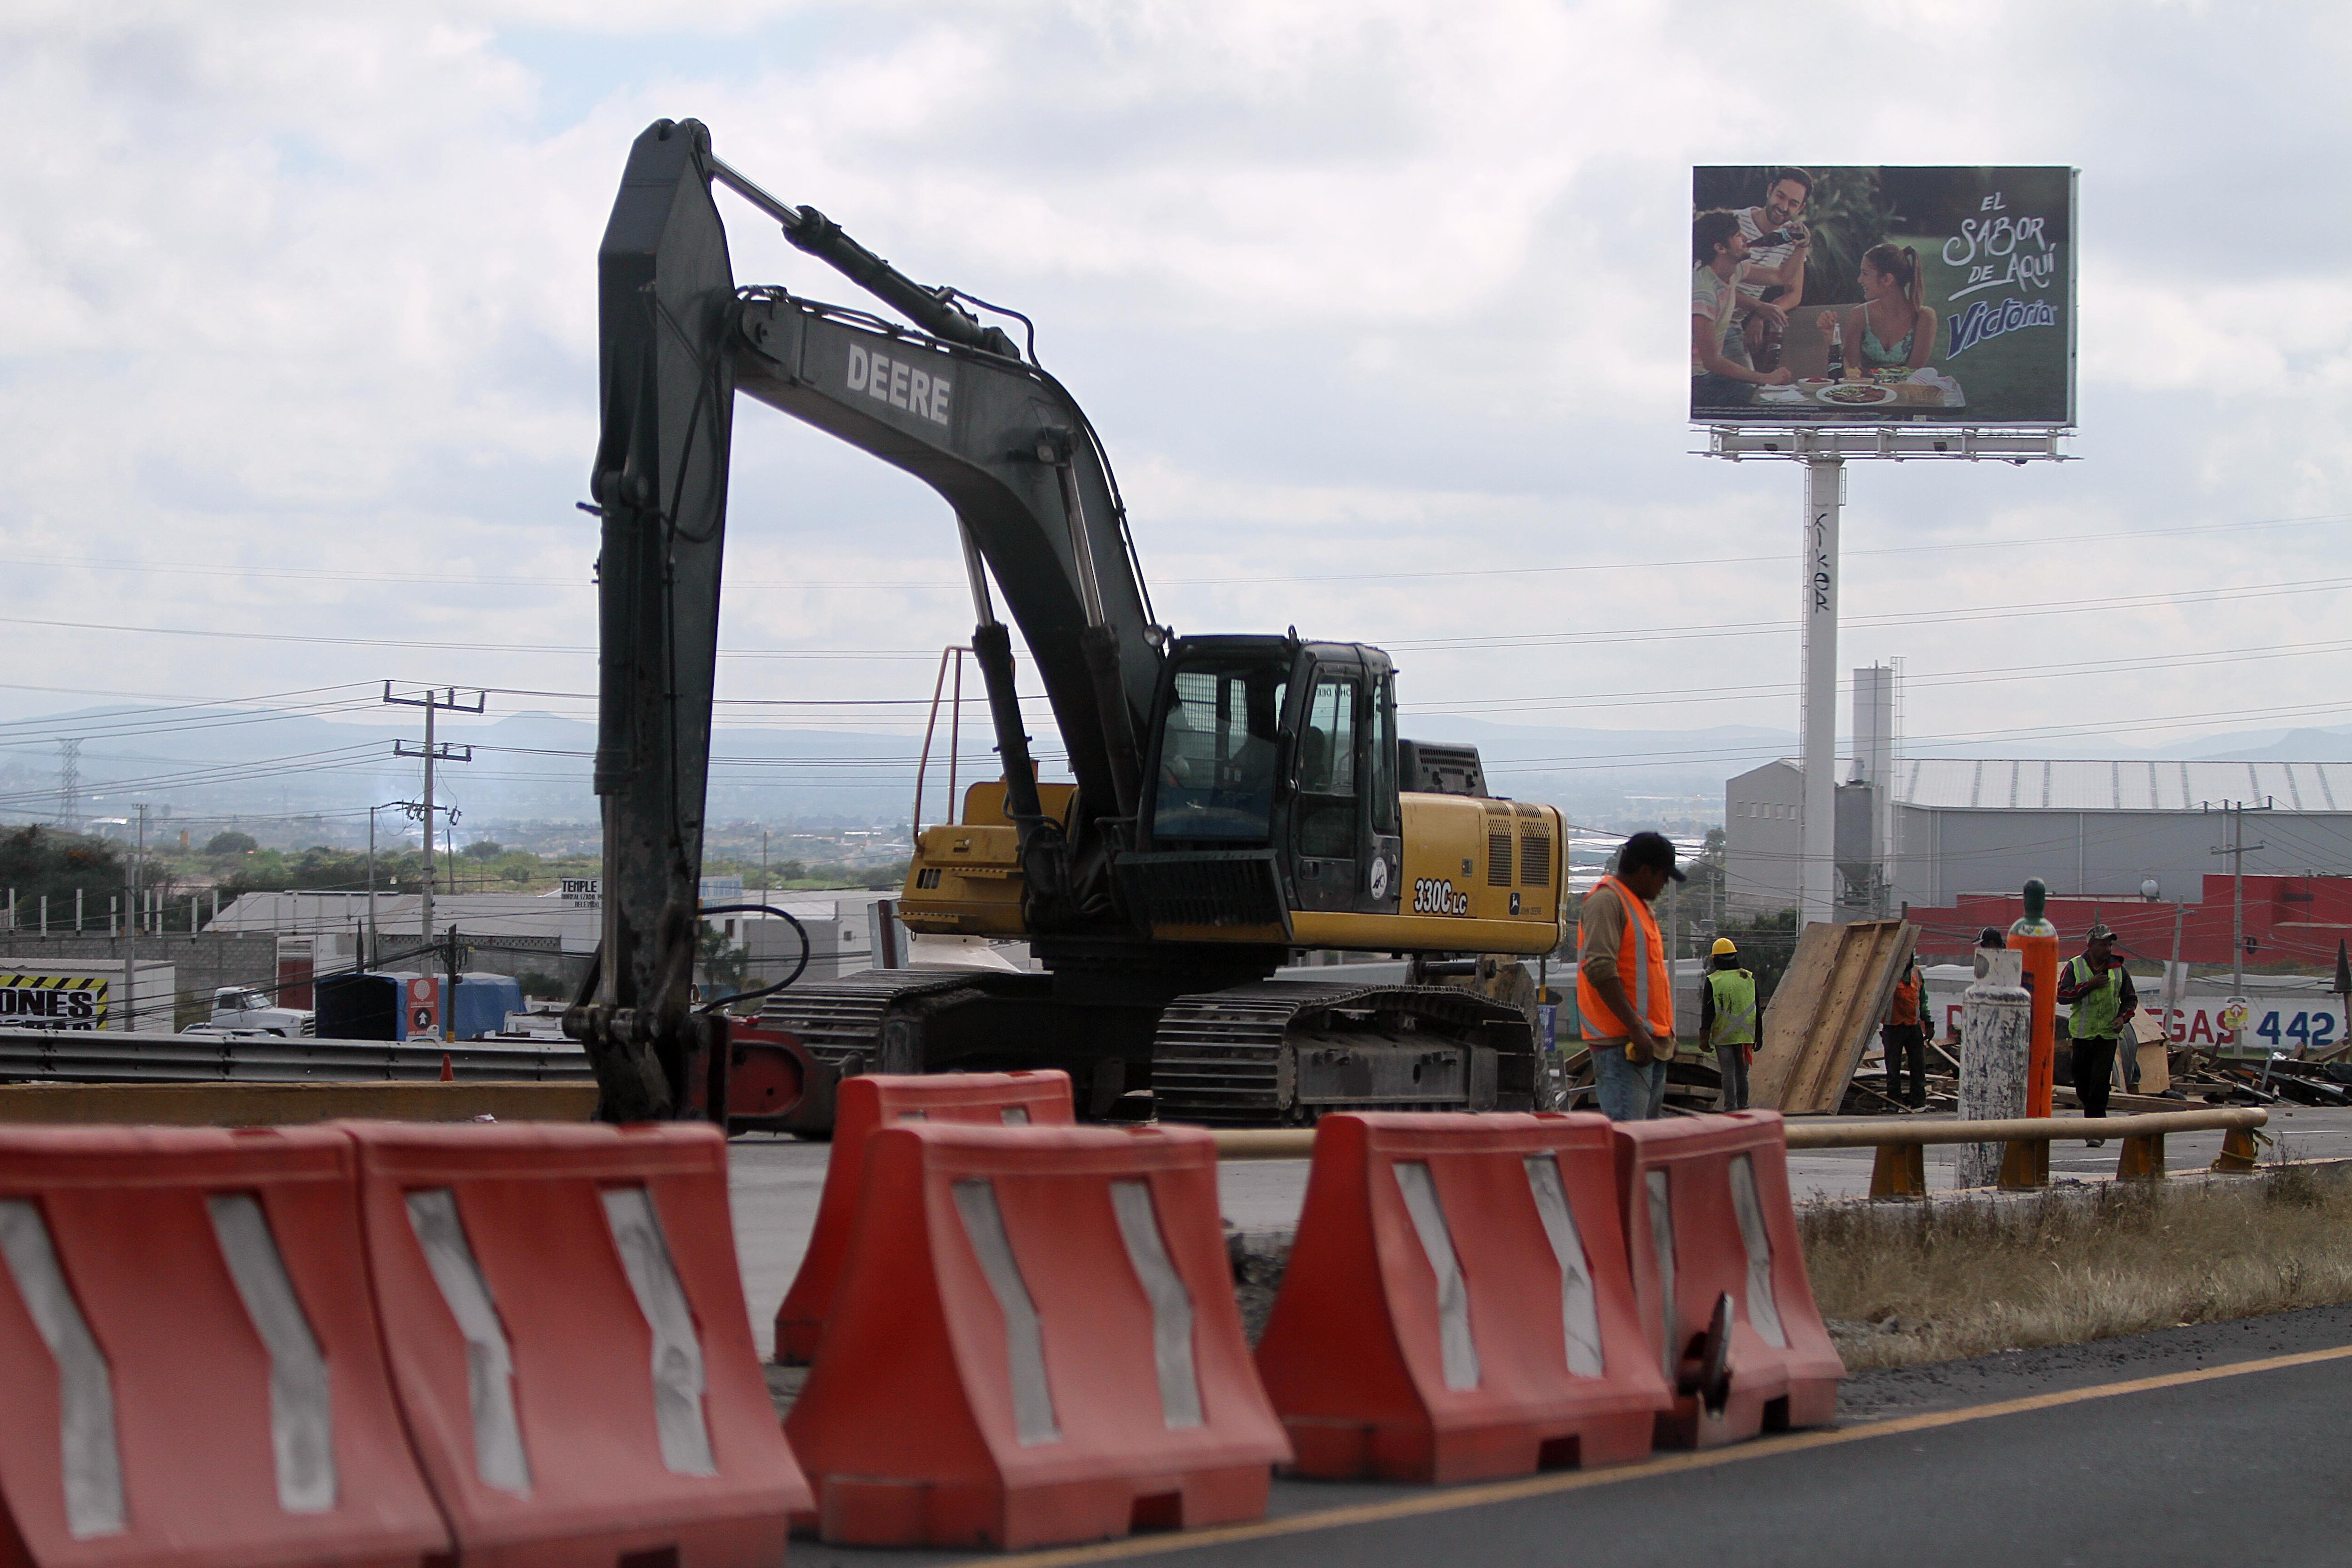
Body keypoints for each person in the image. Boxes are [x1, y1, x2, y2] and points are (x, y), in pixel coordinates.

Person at [1577, 831, 1683, 1120]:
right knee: (1629, 1145)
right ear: (1646, 871)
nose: (1664, 885)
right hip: (1624, 1045)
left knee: (1643, 1147)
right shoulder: (1606, 902)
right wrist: (1635, 1028)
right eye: (1663, 876)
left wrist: (1665, 1035)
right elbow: (1600, 969)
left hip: (1647, 1044)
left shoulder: (1639, 907)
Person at [1692, 210, 1793, 410]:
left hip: (1709, 375)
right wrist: (1765, 378)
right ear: (1720, 248)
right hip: (1696, 382)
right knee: (1763, 406)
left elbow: (1782, 277)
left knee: (1774, 401)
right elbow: (1711, 361)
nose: (1746, 238)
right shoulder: (1704, 293)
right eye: (1738, 235)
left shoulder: (1733, 270)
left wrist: (1801, 245)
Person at [2055, 923, 2138, 1143]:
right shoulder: (2075, 966)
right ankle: (2092, 1120)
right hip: (2083, 1035)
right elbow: (2062, 995)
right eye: (2103, 944)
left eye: (2110, 944)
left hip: (2108, 1036)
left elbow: (2130, 999)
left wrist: (2123, 1018)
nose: (2108, 949)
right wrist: (2089, 986)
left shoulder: (2118, 969)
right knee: (2082, 1083)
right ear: (2091, 945)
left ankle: (2096, 1131)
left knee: (2100, 1083)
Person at [1815, 243, 1939, 376]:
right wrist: (1831, 338)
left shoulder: (1924, 317)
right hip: (1866, 394)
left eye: (1865, 273)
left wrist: (1867, 375)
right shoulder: (1860, 315)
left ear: (1887, 279)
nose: (1859, 280)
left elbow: (1913, 374)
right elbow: (1850, 370)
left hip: (1905, 394)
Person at [1734, 168, 1813, 373]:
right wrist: (1759, 307)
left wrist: (1761, 315)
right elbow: (1713, 285)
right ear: (1770, 191)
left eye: (1793, 203)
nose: (1784, 207)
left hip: (1734, 326)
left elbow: (1792, 291)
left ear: (1801, 207)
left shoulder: (1792, 238)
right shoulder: (1733, 224)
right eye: (1780, 196)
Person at [1698, 936, 1758, 1111]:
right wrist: (1759, 1036)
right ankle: (1744, 1107)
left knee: (1728, 1074)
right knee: (1742, 1075)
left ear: (1716, 958)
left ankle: (1730, 1109)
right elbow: (1757, 1008)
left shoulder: (1713, 980)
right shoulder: (1748, 977)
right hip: (1746, 1035)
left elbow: (1707, 1013)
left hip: (1723, 1036)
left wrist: (1704, 1039)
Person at [1881, 955, 1927, 1109]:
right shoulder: (1888, 972)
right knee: (1893, 1068)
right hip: (1893, 1026)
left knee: (1918, 1066)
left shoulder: (1916, 972)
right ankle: (1894, 1102)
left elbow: (1922, 997)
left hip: (1913, 1025)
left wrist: (1929, 1021)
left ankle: (1918, 1101)